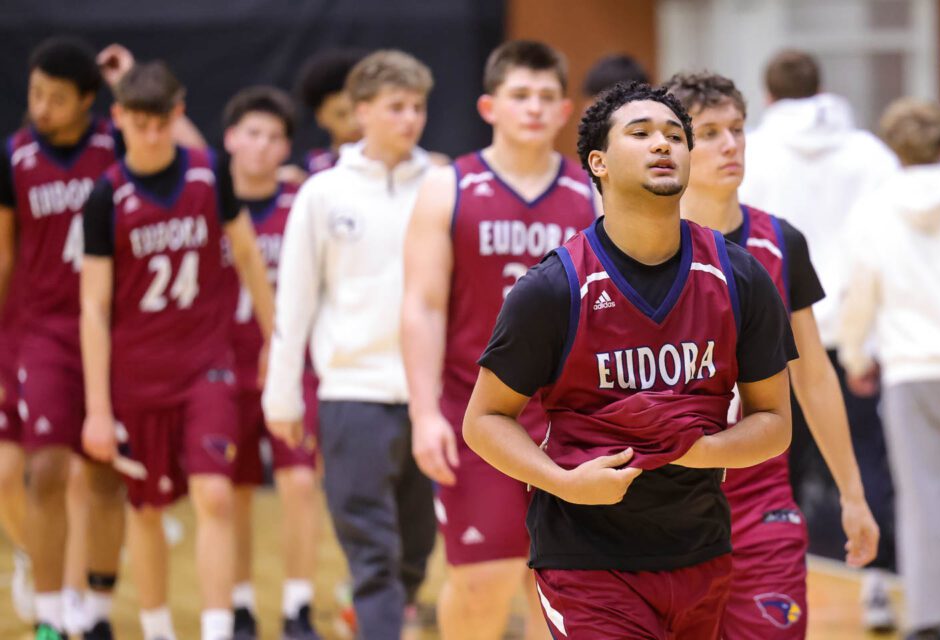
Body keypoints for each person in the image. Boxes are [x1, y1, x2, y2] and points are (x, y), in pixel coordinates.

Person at [463, 80, 795, 638]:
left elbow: (775, 424)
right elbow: (484, 419)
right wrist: (561, 481)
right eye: (640, 134)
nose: (663, 144)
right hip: (586, 558)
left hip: (699, 550)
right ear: (600, 163)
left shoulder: (738, 276)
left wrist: (698, 449)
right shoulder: (552, 289)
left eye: (674, 135)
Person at [661, 70, 877, 639]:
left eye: (736, 129)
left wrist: (852, 494)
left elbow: (814, 377)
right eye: (708, 133)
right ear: (673, 146)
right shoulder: (640, 249)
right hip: (663, 505)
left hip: (762, 500)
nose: (729, 144)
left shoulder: (780, 242)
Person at [401, 40, 596, 640]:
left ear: (565, 111)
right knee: (483, 577)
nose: (533, 108)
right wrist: (423, 413)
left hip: (570, 414)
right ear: (489, 106)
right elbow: (423, 306)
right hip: (477, 410)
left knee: (559, 585)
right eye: (520, 95)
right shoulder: (447, 186)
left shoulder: (592, 192)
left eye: (545, 97)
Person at [79, 60, 276, 640]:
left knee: (214, 495)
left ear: (177, 114)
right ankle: (158, 627)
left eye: (161, 120)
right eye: (138, 122)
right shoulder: (104, 197)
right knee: (146, 508)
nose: (152, 133)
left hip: (206, 366)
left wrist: (274, 339)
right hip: (137, 375)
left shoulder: (210, 173)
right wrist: (95, 408)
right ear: (117, 118)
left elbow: (247, 258)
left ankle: (216, 630)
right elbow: (92, 306)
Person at [0, 37, 173, 639]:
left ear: (89, 103)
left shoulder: (117, 142)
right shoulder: (15, 156)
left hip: (113, 332)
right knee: (44, 470)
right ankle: (50, 615)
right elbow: (4, 254)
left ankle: (96, 614)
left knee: (103, 475)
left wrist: (130, 87)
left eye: (57, 97)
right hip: (41, 333)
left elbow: (200, 170)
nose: (42, 106)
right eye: (34, 94)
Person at [264, 50, 437, 640]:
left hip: (429, 400)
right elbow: (294, 301)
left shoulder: (443, 185)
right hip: (350, 397)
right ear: (361, 111)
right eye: (396, 107)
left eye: (418, 107)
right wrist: (281, 398)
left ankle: (387, 611)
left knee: (416, 549)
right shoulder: (322, 193)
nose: (410, 119)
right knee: (372, 555)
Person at [737, 48, 900, 629]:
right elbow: (890, 245)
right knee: (864, 464)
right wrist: (872, 337)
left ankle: (769, 584)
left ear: (770, 94)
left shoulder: (746, 148)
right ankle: (879, 583)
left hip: (775, 338)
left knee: (769, 471)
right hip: (854, 334)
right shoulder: (870, 152)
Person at [840, 97, 940, 640]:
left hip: (910, 370)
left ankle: (933, 616)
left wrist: (857, 354)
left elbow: (858, 293)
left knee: (922, 496)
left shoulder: (874, 207)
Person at [219, 86, 323, 640]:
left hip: (292, 363)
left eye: (274, 136)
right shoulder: (207, 202)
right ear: (231, 138)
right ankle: (237, 605)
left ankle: (298, 606)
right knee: (231, 491)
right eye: (252, 133)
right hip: (222, 366)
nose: (262, 146)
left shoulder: (301, 204)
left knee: (300, 484)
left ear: (286, 146)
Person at [295, 49, 365, 175]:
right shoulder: (307, 171)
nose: (353, 122)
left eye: (358, 112)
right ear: (320, 116)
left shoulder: (396, 163)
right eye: (340, 114)